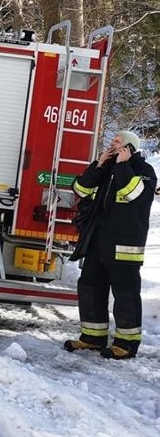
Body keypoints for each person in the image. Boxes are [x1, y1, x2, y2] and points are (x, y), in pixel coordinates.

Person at [64, 130, 156, 359]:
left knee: (125, 293)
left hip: (125, 246)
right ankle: (92, 338)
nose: (112, 145)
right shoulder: (106, 169)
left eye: (117, 142)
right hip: (98, 242)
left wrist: (123, 166)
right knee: (90, 287)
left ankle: (126, 344)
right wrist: (98, 165)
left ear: (129, 148)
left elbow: (134, 195)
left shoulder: (144, 171)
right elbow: (80, 190)